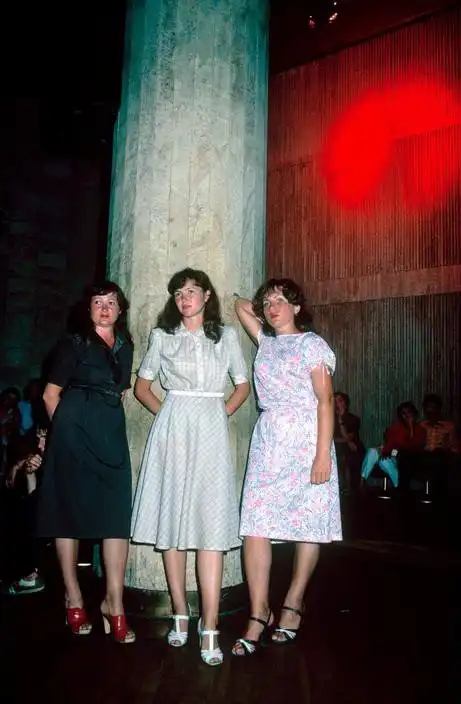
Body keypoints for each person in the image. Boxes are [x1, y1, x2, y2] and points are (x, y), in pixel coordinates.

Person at [131, 267, 250, 666]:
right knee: (172, 522)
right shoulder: (162, 336)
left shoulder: (226, 336)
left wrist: (221, 413)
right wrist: (168, 415)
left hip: (211, 428)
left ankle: (210, 624)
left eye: (191, 291)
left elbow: (242, 384)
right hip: (173, 428)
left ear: (207, 295)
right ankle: (180, 613)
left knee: (210, 526)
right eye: (178, 293)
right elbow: (142, 386)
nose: (184, 298)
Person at [232, 278, 341, 656]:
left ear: (297, 307)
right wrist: (263, 305)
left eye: (281, 301)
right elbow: (239, 306)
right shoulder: (265, 341)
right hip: (269, 440)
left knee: (308, 521)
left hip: (307, 439)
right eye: (268, 303)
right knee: (255, 523)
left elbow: (325, 401)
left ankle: (293, 603)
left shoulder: (312, 344)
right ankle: (259, 611)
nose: (272, 307)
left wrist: (322, 455)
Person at [37, 281, 135, 643]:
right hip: (73, 432)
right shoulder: (74, 342)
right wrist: (64, 435)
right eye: (98, 302)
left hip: (110, 435)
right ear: (88, 308)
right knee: (68, 513)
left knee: (116, 516)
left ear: (120, 310)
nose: (105, 308)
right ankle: (74, 598)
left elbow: (122, 391)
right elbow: (50, 395)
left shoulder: (126, 346)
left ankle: (114, 603)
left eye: (111, 302)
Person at [361, 401, 426, 489]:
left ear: (414, 414)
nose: (407, 416)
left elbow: (414, 447)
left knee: (386, 459)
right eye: (403, 413)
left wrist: (411, 429)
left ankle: (398, 486)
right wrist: (383, 450)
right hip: (393, 455)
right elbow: (390, 445)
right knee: (373, 452)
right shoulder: (395, 428)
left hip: (409, 458)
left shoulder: (420, 430)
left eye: (409, 412)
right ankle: (362, 481)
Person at [333, 392, 365, 493]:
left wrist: (340, 420)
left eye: (339, 400)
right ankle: (343, 487)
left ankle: (350, 487)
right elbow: (330, 439)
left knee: (347, 456)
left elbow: (348, 437)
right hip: (338, 447)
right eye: (334, 401)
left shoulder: (354, 419)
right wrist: (348, 442)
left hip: (353, 448)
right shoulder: (330, 420)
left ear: (345, 403)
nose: (336, 403)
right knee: (341, 453)